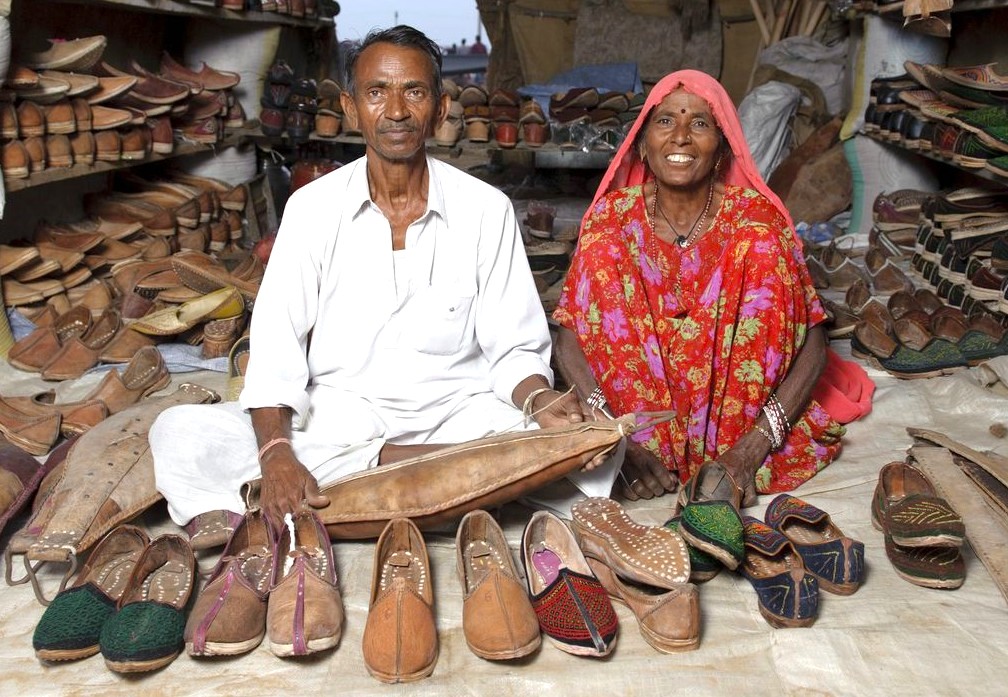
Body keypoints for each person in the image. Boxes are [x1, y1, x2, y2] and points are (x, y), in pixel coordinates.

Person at [150, 25, 606, 527]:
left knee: (597, 448)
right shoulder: (310, 209)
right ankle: (450, 482)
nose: (395, 111)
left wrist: (542, 400)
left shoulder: (486, 209)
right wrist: (278, 452)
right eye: (376, 92)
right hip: (341, 419)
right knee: (179, 435)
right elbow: (277, 350)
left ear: (440, 107)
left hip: (458, 416)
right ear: (350, 107)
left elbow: (514, 349)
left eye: (413, 91)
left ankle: (370, 489)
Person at [553, 69, 856, 508]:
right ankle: (642, 442)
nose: (680, 137)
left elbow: (812, 337)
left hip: (742, 432)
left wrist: (752, 451)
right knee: (604, 252)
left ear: (721, 149)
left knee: (762, 249)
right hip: (633, 423)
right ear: (641, 143)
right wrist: (614, 435)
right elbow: (569, 335)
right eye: (665, 121)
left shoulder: (758, 223)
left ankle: (734, 447)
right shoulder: (610, 222)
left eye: (699, 123)